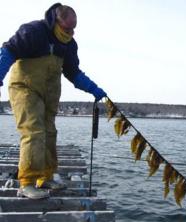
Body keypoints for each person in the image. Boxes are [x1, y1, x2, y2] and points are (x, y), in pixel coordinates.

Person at [0, 3, 107, 199]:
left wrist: (93, 88)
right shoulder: (34, 31)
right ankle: (27, 183)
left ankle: (45, 177)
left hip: (49, 94)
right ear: (56, 21)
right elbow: (8, 50)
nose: (71, 32)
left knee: (50, 133)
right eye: (67, 28)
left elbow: (73, 73)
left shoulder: (69, 44)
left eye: (74, 28)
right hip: (25, 89)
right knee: (34, 131)